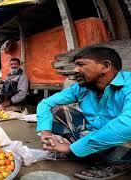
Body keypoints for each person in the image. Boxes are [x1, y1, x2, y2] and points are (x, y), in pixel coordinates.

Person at [36, 46, 131, 179]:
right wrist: (46, 134)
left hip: (122, 142)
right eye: (75, 65)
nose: (75, 70)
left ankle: (118, 164)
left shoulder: (129, 85)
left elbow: (127, 125)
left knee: (124, 133)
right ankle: (85, 152)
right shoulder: (82, 87)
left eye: (81, 64)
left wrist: (72, 148)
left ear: (105, 66)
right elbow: (45, 104)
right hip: (93, 136)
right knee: (57, 111)